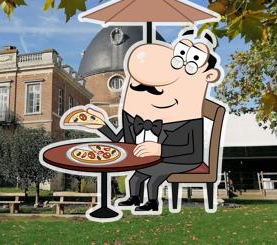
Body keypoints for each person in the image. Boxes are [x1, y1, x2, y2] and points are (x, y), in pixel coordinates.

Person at [67, 28, 224, 214]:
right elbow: (119, 138)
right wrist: (100, 125)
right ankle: (133, 198)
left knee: (154, 176)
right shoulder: (149, 113)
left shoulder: (189, 117)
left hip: (186, 158)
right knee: (135, 178)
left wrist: (160, 149)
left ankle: (152, 202)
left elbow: (193, 150)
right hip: (164, 156)